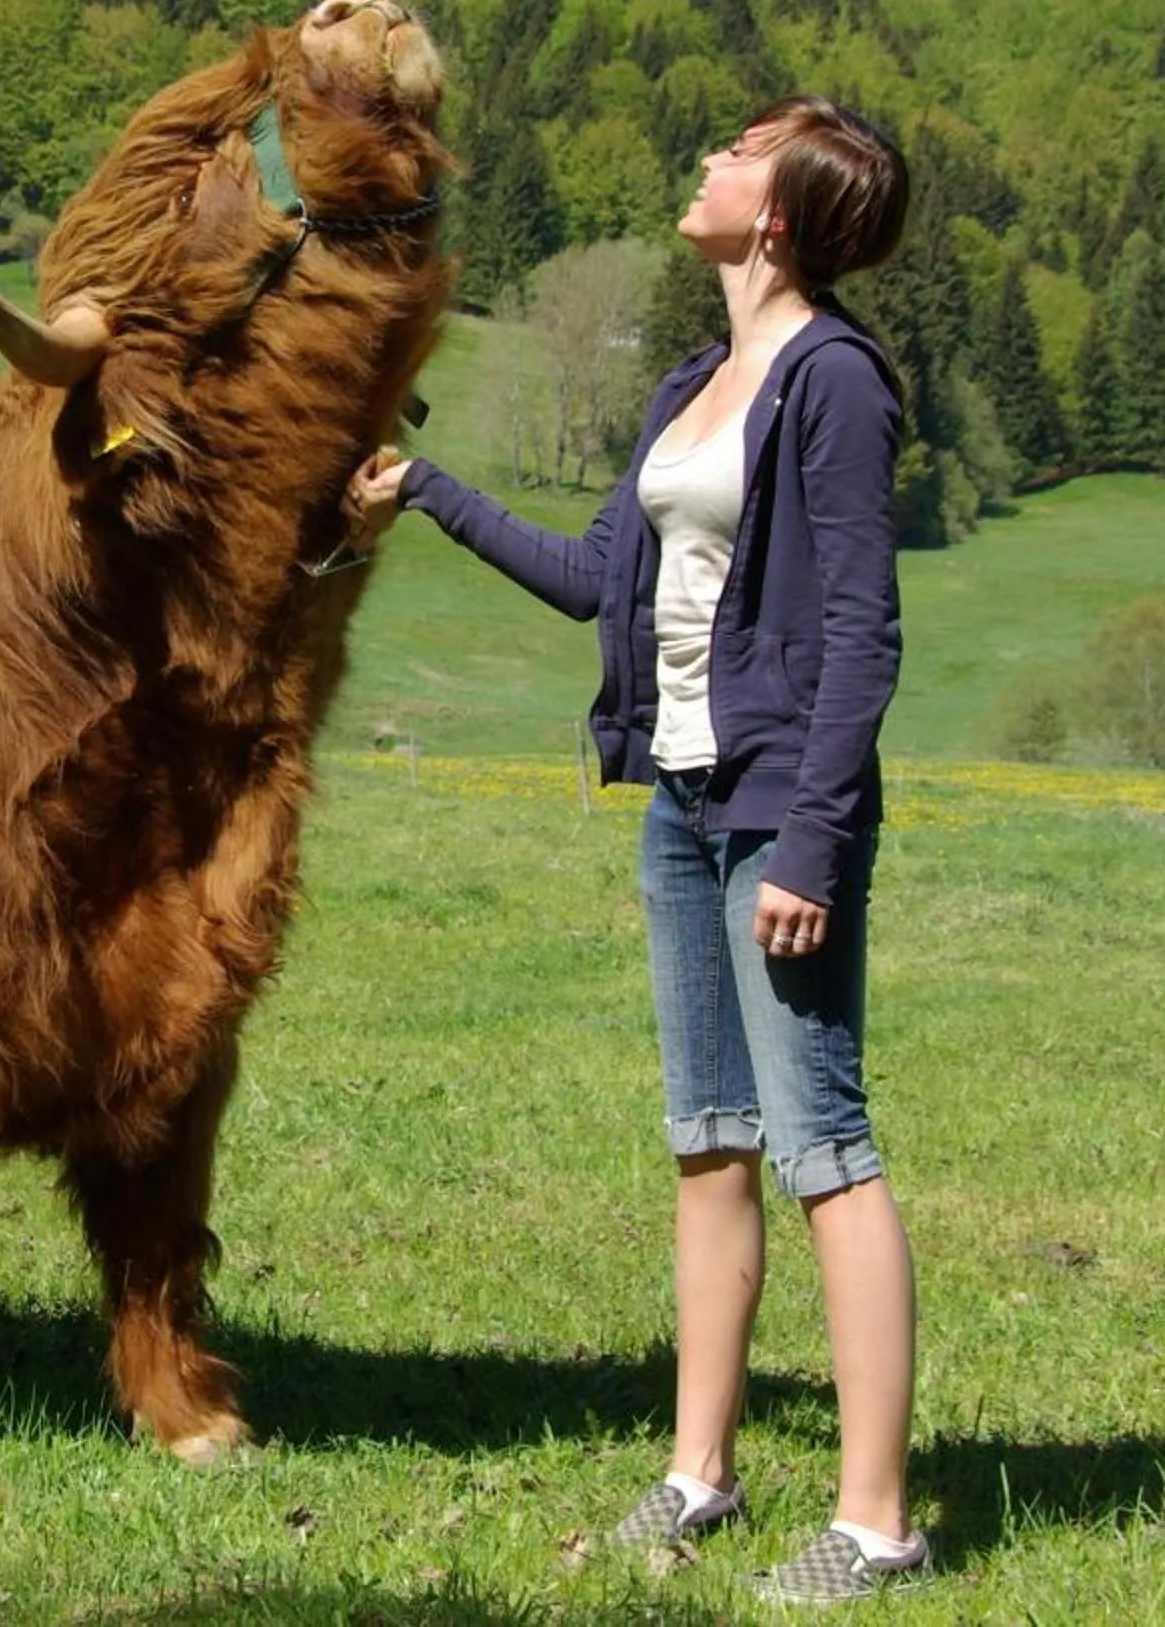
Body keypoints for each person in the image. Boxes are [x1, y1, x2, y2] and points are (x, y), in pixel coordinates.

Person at [344, 98, 923, 1604]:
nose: (711, 157)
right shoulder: (695, 381)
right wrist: (426, 491)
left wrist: (813, 841)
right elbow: (595, 576)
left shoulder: (833, 380)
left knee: (825, 1148)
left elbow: (862, 632)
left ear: (780, 210)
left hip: (777, 813)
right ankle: (698, 1473)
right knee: (709, 1141)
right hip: (680, 803)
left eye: (742, 148)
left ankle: (875, 1522)